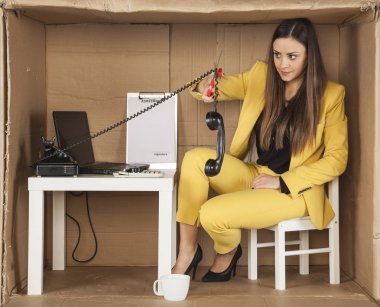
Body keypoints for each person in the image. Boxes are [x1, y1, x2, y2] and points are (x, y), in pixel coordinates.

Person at [172, 18, 348, 282]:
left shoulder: (331, 96)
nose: (283, 64)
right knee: (194, 159)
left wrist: (282, 181)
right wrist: (203, 87)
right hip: (254, 173)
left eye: (292, 56)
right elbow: (218, 87)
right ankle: (187, 252)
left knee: (210, 212)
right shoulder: (261, 77)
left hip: (293, 191)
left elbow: (337, 160)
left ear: (310, 55)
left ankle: (228, 249)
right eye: (277, 55)